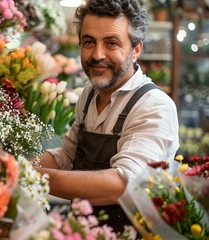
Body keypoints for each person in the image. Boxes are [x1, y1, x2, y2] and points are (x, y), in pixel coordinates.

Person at [34, 0, 179, 232]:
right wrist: (17, 167)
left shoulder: (153, 105)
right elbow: (66, 154)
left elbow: (122, 185)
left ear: (136, 50)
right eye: (89, 42)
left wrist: (33, 177)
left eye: (111, 43)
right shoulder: (89, 94)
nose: (97, 55)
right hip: (82, 231)